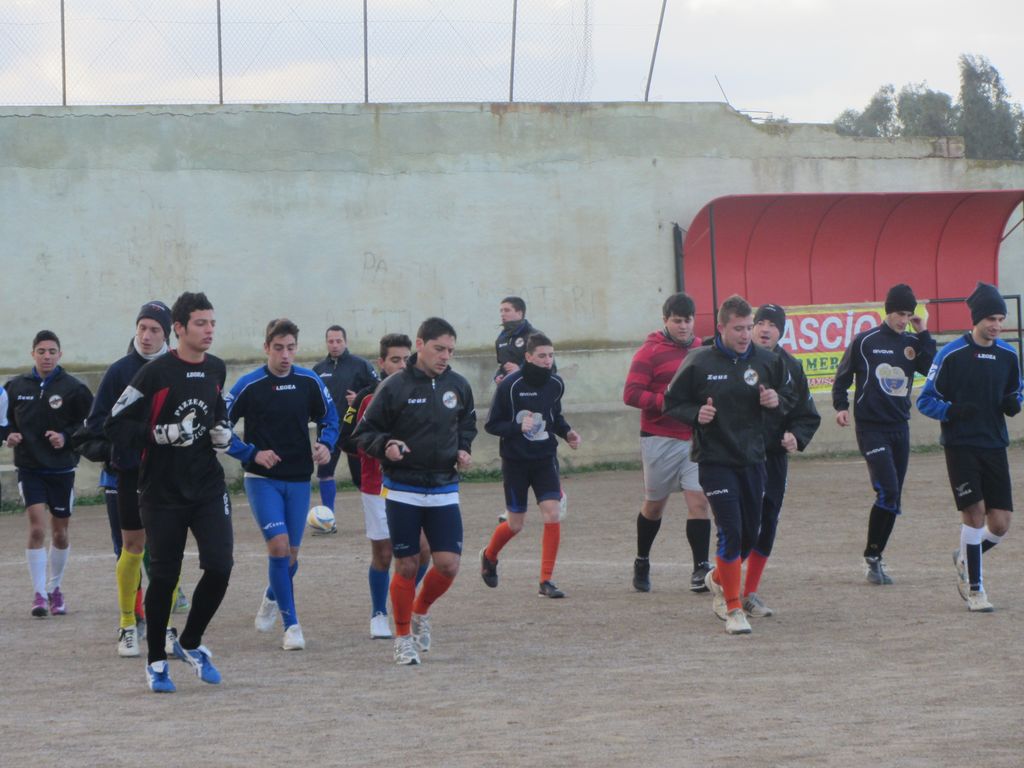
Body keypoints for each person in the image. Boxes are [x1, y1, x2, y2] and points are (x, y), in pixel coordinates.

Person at [106, 291, 234, 693]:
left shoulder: (216, 367)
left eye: (212, 323)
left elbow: (216, 409)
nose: (209, 330)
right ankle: (156, 662)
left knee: (221, 566)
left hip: (207, 485)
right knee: (163, 576)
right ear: (179, 328)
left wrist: (223, 430)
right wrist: (158, 433)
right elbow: (114, 424)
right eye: (200, 323)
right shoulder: (154, 373)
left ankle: (190, 642)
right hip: (161, 491)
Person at [663, 295, 793, 635]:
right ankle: (733, 608)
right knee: (731, 532)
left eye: (749, 327)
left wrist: (776, 400)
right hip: (715, 460)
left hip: (754, 459)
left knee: (750, 534)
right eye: (739, 328)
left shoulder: (768, 361)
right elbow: (671, 402)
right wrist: (697, 414)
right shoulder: (699, 361)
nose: (746, 335)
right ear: (721, 328)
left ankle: (718, 577)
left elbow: (788, 399)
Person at [352, 317, 477, 665]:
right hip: (402, 488)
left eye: (450, 350)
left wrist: (464, 448)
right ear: (420, 345)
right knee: (406, 565)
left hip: (444, 487)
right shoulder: (394, 386)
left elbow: (467, 423)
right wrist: (386, 446)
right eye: (439, 349)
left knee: (448, 565)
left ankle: (421, 610)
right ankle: (403, 638)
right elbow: (364, 433)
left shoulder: (458, 385)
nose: (445, 356)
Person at [77, 301, 187, 657]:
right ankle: (127, 624)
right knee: (132, 547)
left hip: (168, 476)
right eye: (142, 327)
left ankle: (164, 626)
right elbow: (95, 426)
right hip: (128, 474)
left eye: (155, 329)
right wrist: (119, 451)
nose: (146, 335)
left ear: (167, 334)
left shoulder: (178, 369)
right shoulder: (119, 371)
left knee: (167, 552)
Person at [225, 318, 339, 650]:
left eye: (290, 348)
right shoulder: (249, 385)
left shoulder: (308, 381)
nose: (285, 355)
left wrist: (326, 443)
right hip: (262, 481)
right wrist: (251, 453)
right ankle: (292, 627)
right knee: (278, 547)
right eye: (278, 348)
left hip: (299, 479)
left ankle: (273, 595)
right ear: (266, 348)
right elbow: (218, 427)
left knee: (290, 557)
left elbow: (331, 417)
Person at [917, 283, 1021, 612]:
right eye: (991, 318)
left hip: (994, 445)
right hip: (961, 445)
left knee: (1000, 524)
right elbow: (925, 400)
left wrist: (1014, 401)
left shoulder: (1008, 355)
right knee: (974, 514)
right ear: (976, 319)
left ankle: (965, 554)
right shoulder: (951, 354)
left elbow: (1017, 390)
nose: (997, 325)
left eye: (1001, 319)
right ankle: (976, 590)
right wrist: (952, 411)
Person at [832, 283, 936, 585]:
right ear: (887, 311)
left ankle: (875, 556)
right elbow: (843, 377)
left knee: (894, 496)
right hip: (871, 428)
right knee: (887, 490)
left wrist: (924, 333)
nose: (903, 319)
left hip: (899, 427)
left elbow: (932, 370)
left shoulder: (912, 343)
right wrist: (841, 406)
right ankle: (872, 557)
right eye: (899, 313)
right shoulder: (865, 341)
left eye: (908, 314)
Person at [338, 333, 433, 639]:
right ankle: (379, 612)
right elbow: (346, 440)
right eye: (395, 359)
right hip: (377, 485)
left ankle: (404, 602)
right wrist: (381, 447)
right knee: (384, 553)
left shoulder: (423, 391)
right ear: (381, 363)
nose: (402, 365)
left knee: (424, 551)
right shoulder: (367, 397)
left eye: (406, 359)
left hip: (414, 483)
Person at [622, 292, 713, 593]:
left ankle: (700, 569)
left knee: (699, 502)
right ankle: (642, 559)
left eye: (688, 320)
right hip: (659, 437)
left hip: (694, 438)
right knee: (654, 506)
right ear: (665, 320)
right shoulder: (649, 353)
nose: (683, 326)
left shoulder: (702, 350)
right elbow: (631, 394)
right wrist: (668, 403)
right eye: (677, 321)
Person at [480, 333, 582, 598]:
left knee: (553, 513)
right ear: (528, 357)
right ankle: (489, 556)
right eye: (542, 356)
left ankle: (546, 581)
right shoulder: (510, 385)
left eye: (551, 355)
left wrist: (568, 433)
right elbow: (491, 424)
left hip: (545, 459)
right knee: (515, 524)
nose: (548, 360)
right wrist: (517, 427)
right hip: (515, 462)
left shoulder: (556, 384)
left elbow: (554, 417)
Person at [2, 330, 93, 618]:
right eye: (41, 351)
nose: (47, 356)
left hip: (62, 469)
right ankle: (39, 593)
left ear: (60, 355)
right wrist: (8, 435)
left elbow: (89, 424)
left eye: (52, 351)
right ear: (33, 354)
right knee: (37, 529)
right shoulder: (15, 387)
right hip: (30, 468)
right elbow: (3, 422)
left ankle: (55, 588)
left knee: (60, 534)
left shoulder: (74, 388)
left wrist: (65, 437)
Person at [746, 303, 821, 617]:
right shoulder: (736, 360)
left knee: (768, 521)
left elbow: (807, 414)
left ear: (782, 331)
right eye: (761, 322)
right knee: (741, 523)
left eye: (773, 325)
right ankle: (723, 579)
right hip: (739, 456)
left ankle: (748, 592)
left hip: (773, 457)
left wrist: (795, 436)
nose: (766, 329)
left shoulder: (791, 366)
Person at [313, 325, 378, 517]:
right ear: (326, 343)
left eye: (338, 341)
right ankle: (328, 518)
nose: (334, 345)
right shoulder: (318, 369)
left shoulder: (361, 365)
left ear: (346, 342)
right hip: (329, 431)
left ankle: (373, 516)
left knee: (360, 478)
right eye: (331, 341)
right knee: (325, 473)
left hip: (354, 431)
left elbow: (379, 391)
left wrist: (359, 398)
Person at [494, 296, 540, 385]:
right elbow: (502, 365)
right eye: (501, 311)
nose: (502, 314)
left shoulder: (535, 336)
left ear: (519, 313)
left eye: (507, 310)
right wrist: (498, 376)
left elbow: (547, 365)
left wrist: (520, 370)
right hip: (508, 387)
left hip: (531, 387)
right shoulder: (501, 339)